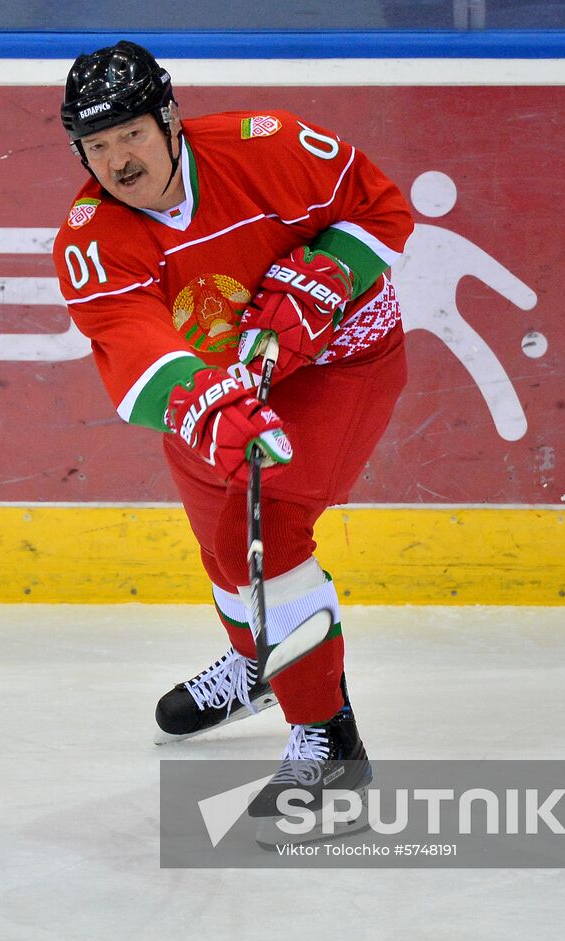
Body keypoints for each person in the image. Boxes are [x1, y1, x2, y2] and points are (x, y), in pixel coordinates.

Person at [53, 41, 412, 786]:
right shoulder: (90, 240)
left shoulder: (271, 147)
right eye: (97, 146)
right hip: (218, 385)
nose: (118, 161)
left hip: (339, 363)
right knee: (221, 547)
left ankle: (329, 737)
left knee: (268, 530)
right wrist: (199, 403)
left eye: (131, 135)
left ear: (170, 119)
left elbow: (381, 208)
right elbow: (136, 350)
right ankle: (262, 663)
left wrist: (332, 270)